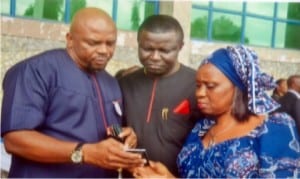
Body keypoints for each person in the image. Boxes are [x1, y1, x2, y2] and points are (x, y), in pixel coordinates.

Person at [1, 7, 144, 178]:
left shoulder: (110, 82)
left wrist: (122, 133)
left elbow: (102, 125)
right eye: (93, 43)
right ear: (70, 39)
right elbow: (15, 140)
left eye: (110, 43)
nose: (104, 51)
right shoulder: (35, 71)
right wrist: (84, 152)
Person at [133, 45, 300, 178]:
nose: (199, 93)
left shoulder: (275, 127)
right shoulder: (202, 128)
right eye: (198, 85)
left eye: (210, 86)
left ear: (238, 87)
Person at [118, 15, 202, 176]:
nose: (155, 57)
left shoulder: (198, 86)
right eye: (147, 49)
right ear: (138, 43)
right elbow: (110, 126)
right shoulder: (125, 83)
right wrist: (120, 133)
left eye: (165, 50)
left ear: (180, 46)